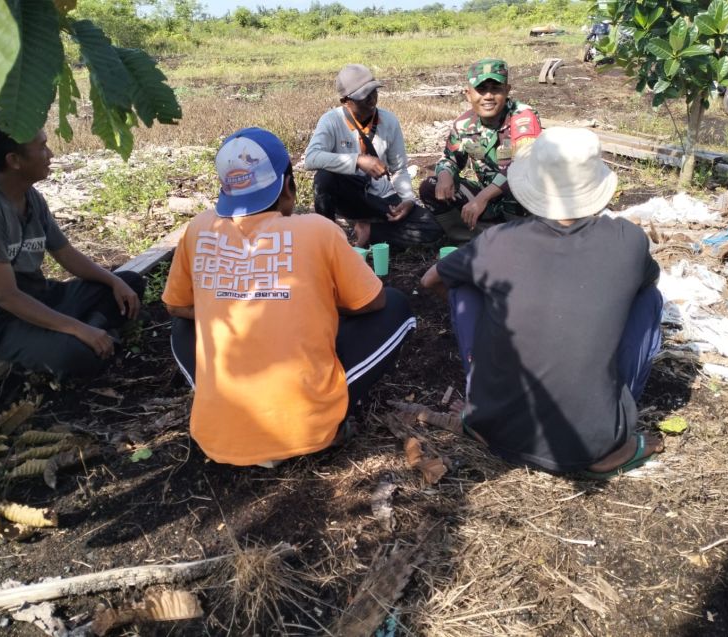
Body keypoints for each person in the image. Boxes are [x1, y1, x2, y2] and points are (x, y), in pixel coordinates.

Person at [163, 127, 416, 467]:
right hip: (305, 430)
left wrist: (228, 303)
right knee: (398, 306)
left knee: (181, 328)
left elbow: (175, 305)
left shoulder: (198, 229)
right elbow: (373, 302)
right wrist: (317, 304)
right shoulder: (317, 230)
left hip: (216, 441)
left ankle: (222, 409)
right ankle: (329, 419)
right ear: (286, 186)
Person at [420, 127, 664, 478]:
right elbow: (645, 284)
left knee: (463, 285)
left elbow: (430, 279)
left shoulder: (498, 242)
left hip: (495, 430)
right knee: (649, 298)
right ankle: (606, 412)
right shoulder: (629, 240)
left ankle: (483, 395)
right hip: (593, 446)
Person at [0, 112, 144, 378]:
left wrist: (113, 281)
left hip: (41, 296)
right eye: (41, 147)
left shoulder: (29, 196)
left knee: (130, 284)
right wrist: (77, 328)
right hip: (1, 319)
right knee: (75, 357)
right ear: (14, 160)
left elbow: (66, 254)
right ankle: (88, 334)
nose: (50, 154)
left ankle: (88, 333)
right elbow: (6, 296)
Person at [304, 63, 443, 248]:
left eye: (373, 92)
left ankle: (368, 230)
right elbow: (311, 158)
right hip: (349, 196)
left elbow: (399, 169)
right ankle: (326, 237)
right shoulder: (331, 121)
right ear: (345, 101)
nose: (372, 100)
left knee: (431, 228)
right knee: (324, 177)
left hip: (380, 198)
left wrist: (408, 200)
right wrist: (357, 160)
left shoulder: (389, 121)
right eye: (364, 97)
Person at [419, 58, 542, 242]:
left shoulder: (522, 116)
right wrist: (445, 174)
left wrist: (482, 198)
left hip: (522, 202)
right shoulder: (464, 125)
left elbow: (523, 166)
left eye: (495, 89)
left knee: (517, 191)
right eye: (481, 89)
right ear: (468, 94)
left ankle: (518, 237)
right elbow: (450, 158)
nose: (488, 96)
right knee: (430, 186)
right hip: (490, 204)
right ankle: (471, 236)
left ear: (507, 91)